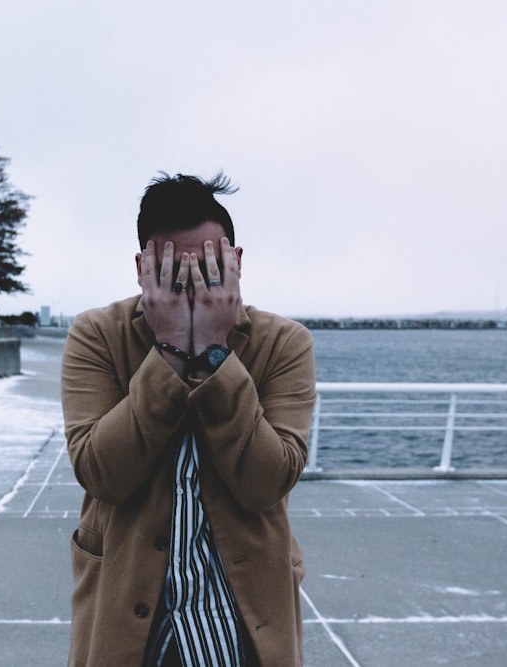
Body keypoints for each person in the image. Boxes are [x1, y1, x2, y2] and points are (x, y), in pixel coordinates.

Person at [61, 172, 317, 666]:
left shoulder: (283, 343)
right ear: (143, 269)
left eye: (211, 270)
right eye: (175, 274)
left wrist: (218, 353)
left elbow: (268, 483)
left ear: (237, 262)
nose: (195, 289)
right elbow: (100, 474)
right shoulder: (97, 335)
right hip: (126, 609)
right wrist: (172, 352)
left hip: (241, 616)